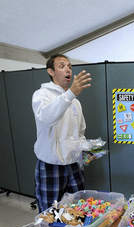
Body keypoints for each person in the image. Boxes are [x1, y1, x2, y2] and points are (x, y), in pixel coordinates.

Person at [32, 54, 92, 212]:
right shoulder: (41, 95)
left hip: (74, 165)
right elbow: (47, 118)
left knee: (78, 210)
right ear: (51, 71)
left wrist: (86, 152)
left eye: (70, 66)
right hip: (51, 165)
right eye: (62, 66)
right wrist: (71, 93)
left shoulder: (75, 102)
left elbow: (80, 132)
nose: (68, 70)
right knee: (49, 212)